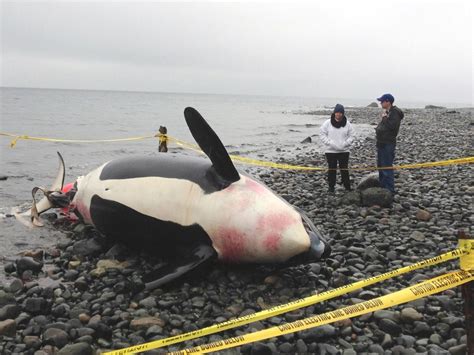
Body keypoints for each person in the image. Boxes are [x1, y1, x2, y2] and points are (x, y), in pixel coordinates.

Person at [319, 104, 354, 193]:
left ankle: (347, 186)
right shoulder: (327, 123)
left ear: (343, 114)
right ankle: (331, 187)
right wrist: (329, 143)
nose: (338, 115)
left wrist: (346, 144)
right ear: (334, 113)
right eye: (337, 113)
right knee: (332, 169)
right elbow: (322, 134)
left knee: (344, 169)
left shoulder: (347, 124)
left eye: (340, 113)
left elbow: (352, 136)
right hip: (331, 151)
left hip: (344, 150)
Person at [375, 93, 404, 194]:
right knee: (381, 166)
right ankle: (383, 187)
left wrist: (384, 118)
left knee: (386, 166)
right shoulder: (388, 112)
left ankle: (389, 190)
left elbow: (392, 126)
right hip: (381, 142)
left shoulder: (395, 112)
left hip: (388, 143)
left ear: (388, 101)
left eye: (382, 101)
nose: (380, 103)